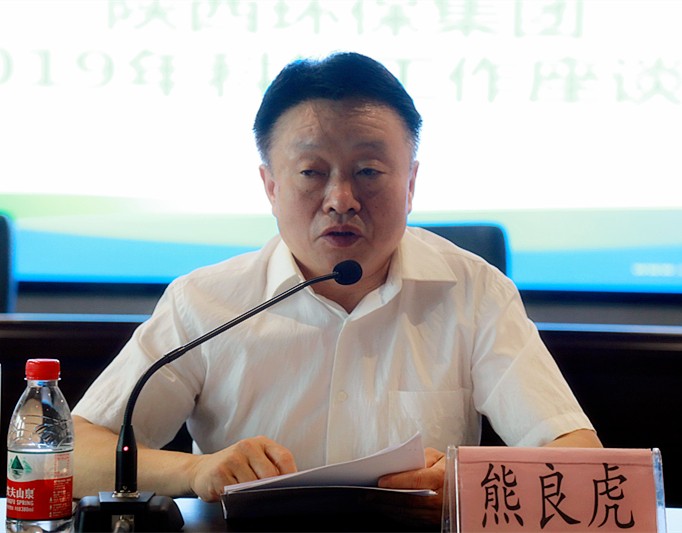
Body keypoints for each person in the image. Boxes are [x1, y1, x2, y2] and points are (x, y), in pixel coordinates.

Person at [72, 52, 601, 525]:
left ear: (410, 184)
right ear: (271, 187)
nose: (341, 199)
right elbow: (74, 454)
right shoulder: (205, 301)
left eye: (368, 171)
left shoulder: (475, 292)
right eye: (311, 172)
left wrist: (467, 488)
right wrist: (196, 470)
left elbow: (579, 458)